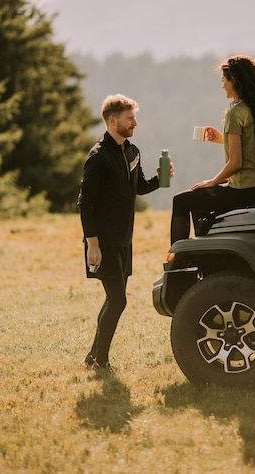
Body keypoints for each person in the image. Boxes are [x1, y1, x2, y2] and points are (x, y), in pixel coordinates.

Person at [77, 94, 168, 371]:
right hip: (103, 242)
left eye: (134, 118)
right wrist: (93, 245)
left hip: (124, 240)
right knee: (118, 300)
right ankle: (101, 361)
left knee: (113, 299)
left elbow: (138, 187)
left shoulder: (132, 151)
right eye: (130, 119)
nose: (135, 123)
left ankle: (93, 356)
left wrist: (160, 180)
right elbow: (85, 203)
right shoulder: (98, 157)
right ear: (113, 120)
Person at [170, 55, 255, 243]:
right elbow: (250, 145)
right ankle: (206, 247)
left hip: (245, 188)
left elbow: (235, 163)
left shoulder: (235, 113)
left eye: (224, 80)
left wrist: (212, 182)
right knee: (198, 199)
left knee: (181, 201)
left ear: (234, 80)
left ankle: (176, 260)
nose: (222, 85)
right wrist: (222, 139)